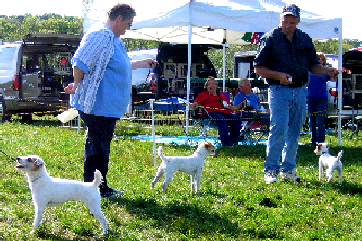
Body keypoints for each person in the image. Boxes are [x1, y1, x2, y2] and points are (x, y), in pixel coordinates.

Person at [64, 3, 158, 198]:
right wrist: (77, 84)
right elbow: (79, 62)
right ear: (119, 19)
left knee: (100, 146)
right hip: (97, 105)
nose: (129, 28)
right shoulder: (100, 34)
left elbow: (113, 64)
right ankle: (95, 189)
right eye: (129, 23)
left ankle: (98, 187)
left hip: (107, 107)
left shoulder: (113, 39)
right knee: (97, 148)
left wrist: (141, 63)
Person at [254, 4, 338, 184]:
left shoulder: (305, 40)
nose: (288, 25)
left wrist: (327, 70)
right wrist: (279, 76)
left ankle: (288, 169)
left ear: (298, 21)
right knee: (279, 130)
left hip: (300, 91)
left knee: (295, 132)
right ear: (280, 19)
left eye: (292, 22)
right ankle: (271, 170)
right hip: (278, 90)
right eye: (285, 21)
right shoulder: (270, 38)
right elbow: (258, 68)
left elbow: (313, 66)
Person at [190, 77, 243, 146]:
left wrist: (239, 106)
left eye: (213, 84)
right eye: (209, 84)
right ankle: (226, 143)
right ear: (206, 87)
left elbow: (229, 107)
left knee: (236, 118)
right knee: (221, 119)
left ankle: (234, 142)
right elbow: (196, 103)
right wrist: (193, 105)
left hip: (225, 112)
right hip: (210, 113)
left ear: (216, 86)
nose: (211, 86)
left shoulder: (221, 96)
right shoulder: (202, 95)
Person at [308, 52, 336, 144]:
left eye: (322, 59)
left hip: (322, 98)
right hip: (311, 97)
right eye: (319, 58)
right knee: (311, 121)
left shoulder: (326, 71)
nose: (321, 60)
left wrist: (336, 73)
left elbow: (333, 79)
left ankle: (321, 141)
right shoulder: (310, 70)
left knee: (320, 121)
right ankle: (313, 141)